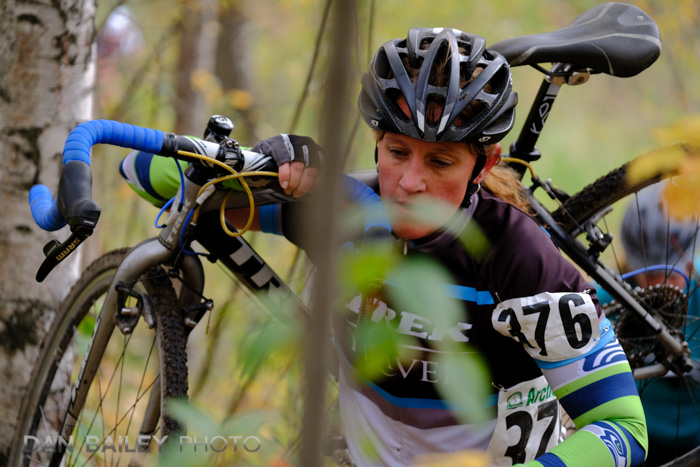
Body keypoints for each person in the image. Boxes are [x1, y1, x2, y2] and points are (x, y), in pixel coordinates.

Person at [120, 28, 648, 466]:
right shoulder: (347, 211)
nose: (409, 183)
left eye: (440, 162)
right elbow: (143, 172)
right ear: (377, 142)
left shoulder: (518, 256)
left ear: (483, 166)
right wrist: (252, 166)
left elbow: (623, 430)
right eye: (397, 152)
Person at [599, 182, 700, 466]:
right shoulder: (607, 302)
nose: (662, 286)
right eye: (650, 275)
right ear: (632, 264)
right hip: (636, 443)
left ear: (690, 262)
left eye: (672, 272)